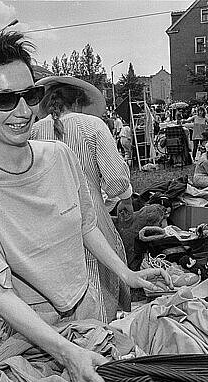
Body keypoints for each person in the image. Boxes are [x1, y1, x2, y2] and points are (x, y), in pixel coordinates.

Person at [0, 31, 171, 382]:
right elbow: (1, 295)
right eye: (5, 99)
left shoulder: (61, 156)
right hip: (30, 338)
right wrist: (66, 352)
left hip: (89, 314)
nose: (24, 111)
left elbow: (86, 227)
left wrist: (127, 274)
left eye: (30, 95)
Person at [32, 76, 134, 322]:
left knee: (60, 283)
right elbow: (115, 179)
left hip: (47, 221)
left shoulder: (34, 131)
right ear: (78, 100)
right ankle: (98, 335)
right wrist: (126, 198)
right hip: (91, 216)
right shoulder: (93, 125)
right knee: (96, 276)